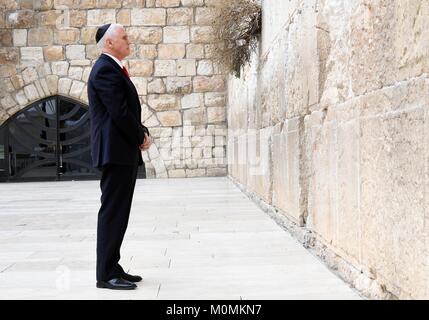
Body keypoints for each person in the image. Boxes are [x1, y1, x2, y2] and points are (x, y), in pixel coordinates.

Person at [87, 23, 151, 290]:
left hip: (120, 151)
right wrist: (140, 137)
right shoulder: (104, 69)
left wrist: (142, 130)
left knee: (119, 212)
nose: (129, 41)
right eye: (124, 37)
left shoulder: (113, 68)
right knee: (113, 213)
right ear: (109, 43)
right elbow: (119, 113)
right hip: (115, 153)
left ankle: (113, 266)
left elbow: (126, 111)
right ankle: (105, 274)